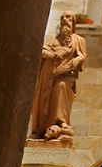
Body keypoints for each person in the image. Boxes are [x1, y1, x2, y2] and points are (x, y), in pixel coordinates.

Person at [30, 11, 87, 140]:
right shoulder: (53, 38)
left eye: (68, 17)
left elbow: (82, 55)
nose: (65, 19)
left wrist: (77, 60)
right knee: (43, 98)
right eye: (63, 17)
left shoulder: (79, 40)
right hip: (49, 73)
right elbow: (43, 50)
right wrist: (52, 55)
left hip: (66, 73)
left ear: (73, 22)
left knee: (61, 87)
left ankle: (61, 121)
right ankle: (40, 128)